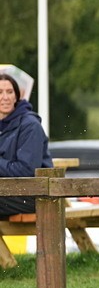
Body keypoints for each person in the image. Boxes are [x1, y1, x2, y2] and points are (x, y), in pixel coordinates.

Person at [0, 73, 52, 216]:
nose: (5, 97)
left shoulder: (30, 126)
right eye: (0, 92)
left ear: (16, 96)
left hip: (34, 195)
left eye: (9, 92)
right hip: (7, 193)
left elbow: (26, 171)